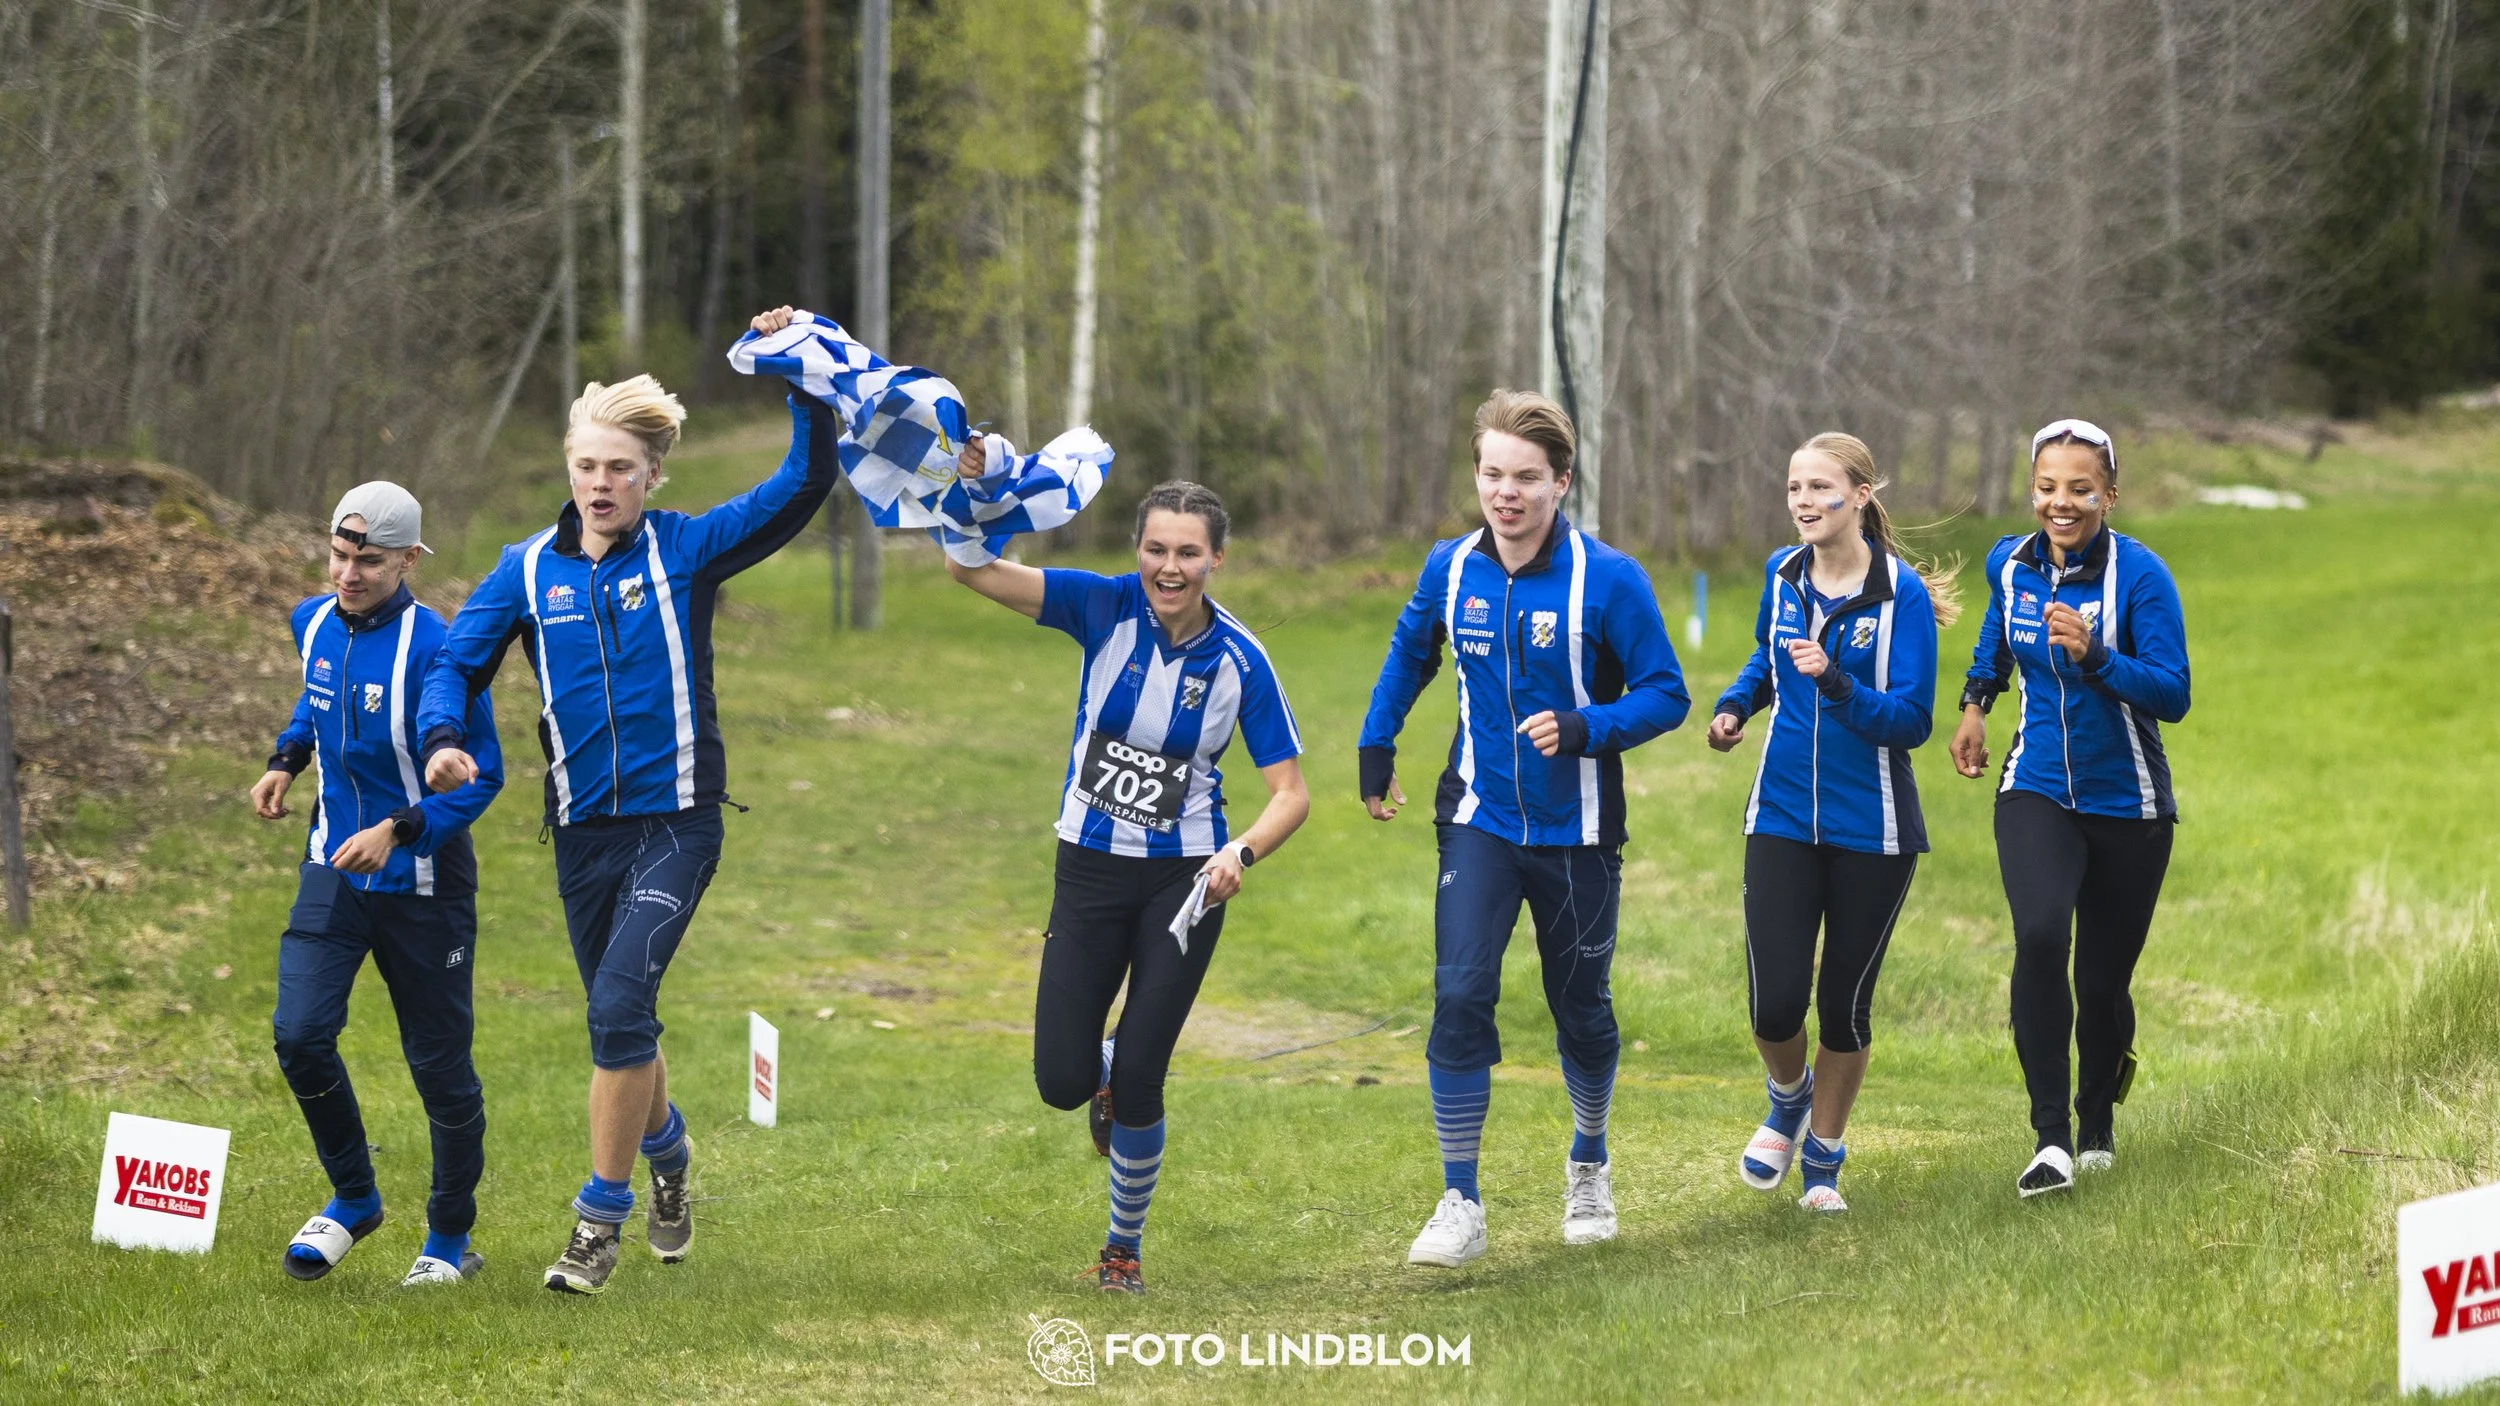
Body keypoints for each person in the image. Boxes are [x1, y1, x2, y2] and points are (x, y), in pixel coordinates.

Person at [416, 308, 840, 1294]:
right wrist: (442, 739)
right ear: (567, 471)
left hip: (679, 822)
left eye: (619, 468)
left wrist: (808, 381)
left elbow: (801, 485)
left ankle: (594, 1224)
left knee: (617, 1004)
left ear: (652, 478)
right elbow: (454, 663)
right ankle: (671, 1150)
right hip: (580, 835)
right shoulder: (525, 570)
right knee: (622, 1024)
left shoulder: (687, 550)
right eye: (586, 465)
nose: (600, 483)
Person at [944, 442, 1309, 1295]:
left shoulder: (1241, 660)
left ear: (1217, 559)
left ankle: (1122, 1249)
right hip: (1091, 869)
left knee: (1145, 1074)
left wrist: (1238, 851)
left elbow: (1290, 793)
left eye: (1188, 553)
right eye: (1156, 549)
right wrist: (969, 489)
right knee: (1062, 1081)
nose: (1169, 568)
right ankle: (1100, 1072)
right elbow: (971, 570)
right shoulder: (1097, 607)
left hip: (1187, 879)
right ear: (1136, 550)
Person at [1358, 389, 1690, 1267]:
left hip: (1578, 833)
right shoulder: (1449, 566)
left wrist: (1588, 726)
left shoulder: (1609, 579)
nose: (1506, 493)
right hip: (1478, 819)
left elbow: (1667, 693)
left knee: (1580, 1008)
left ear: (1562, 481)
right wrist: (1375, 740)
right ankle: (1459, 1199)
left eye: (1527, 478)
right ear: (1478, 475)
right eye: (1493, 474)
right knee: (1461, 993)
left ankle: (1588, 1161)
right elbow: (1410, 650)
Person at [250, 482, 504, 1287]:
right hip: (333, 869)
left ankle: (450, 1239)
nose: (349, 574)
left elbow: (481, 778)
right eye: (339, 555)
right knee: (299, 1034)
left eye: (369, 561)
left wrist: (399, 828)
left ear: (409, 560)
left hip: (426, 885)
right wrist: (285, 759)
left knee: (438, 1067)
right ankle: (355, 1198)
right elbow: (318, 698)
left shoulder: (441, 651)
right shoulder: (312, 621)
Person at [1704, 433, 1959, 1213]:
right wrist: (1735, 705)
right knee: (1773, 1002)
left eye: (1820, 488)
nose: (1805, 502)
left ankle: (1823, 1157)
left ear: (1859, 494)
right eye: (1794, 489)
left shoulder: (1900, 594)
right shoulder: (1782, 577)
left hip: (1872, 829)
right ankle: (1788, 1098)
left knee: (1844, 1004)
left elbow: (1912, 721)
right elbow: (1766, 661)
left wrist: (1838, 682)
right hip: (1779, 813)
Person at [1950, 418, 2190, 1198]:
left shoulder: (2141, 578)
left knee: (2103, 985)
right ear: (2033, 492)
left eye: (2081, 489)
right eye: (2048, 488)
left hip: (2131, 804)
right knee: (2042, 934)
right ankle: (2050, 1137)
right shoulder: (2011, 564)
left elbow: (2173, 692)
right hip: (2037, 787)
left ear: (2109, 496)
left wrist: (2096, 657)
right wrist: (1977, 702)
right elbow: (1996, 627)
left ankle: (2097, 1123)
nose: (2063, 503)